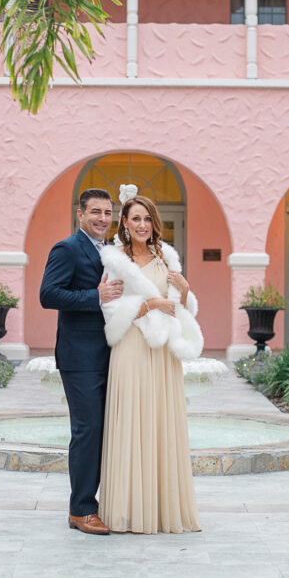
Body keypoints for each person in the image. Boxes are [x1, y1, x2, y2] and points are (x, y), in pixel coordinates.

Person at [97, 186, 203, 534]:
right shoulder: (114, 262)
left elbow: (181, 310)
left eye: (147, 219)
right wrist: (148, 305)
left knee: (160, 423)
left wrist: (185, 289)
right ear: (124, 223)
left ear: (154, 224)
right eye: (135, 218)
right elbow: (110, 308)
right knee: (130, 421)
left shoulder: (167, 261)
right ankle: (128, 509)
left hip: (162, 354)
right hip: (130, 347)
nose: (142, 224)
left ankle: (161, 509)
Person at [39, 188, 123, 535]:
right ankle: (81, 509)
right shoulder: (67, 249)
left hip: (113, 353)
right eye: (96, 212)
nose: (103, 219)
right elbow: (48, 294)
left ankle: (106, 502)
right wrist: (95, 296)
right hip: (81, 357)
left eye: (107, 212)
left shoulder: (113, 251)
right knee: (87, 431)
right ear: (80, 214)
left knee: (108, 431)